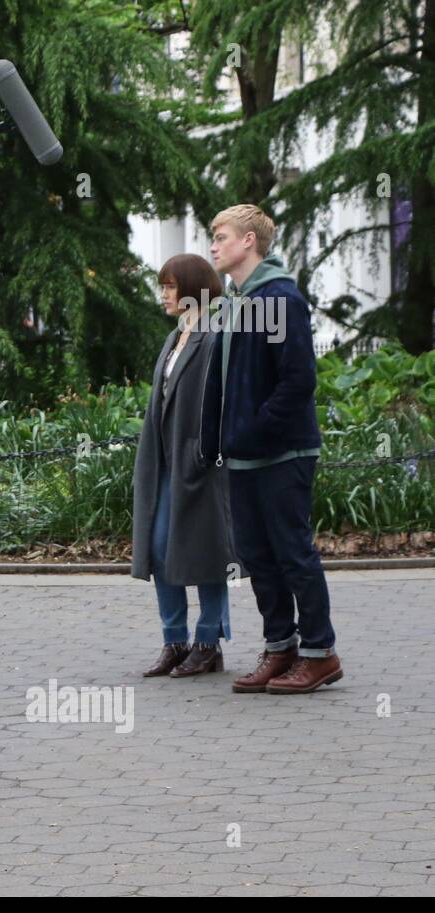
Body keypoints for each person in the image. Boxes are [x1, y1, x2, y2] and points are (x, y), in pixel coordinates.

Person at [202, 204, 342, 694]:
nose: (213, 246)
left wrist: (252, 432)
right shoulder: (234, 303)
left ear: (249, 242)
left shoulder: (279, 300)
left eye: (220, 236)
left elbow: (298, 381)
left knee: (292, 554)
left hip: (282, 453)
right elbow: (223, 384)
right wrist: (217, 440)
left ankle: (320, 653)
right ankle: (281, 647)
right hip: (243, 456)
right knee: (258, 558)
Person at [132, 254, 238, 677]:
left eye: (171, 287)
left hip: (200, 465)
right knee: (159, 550)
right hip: (163, 462)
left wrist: (205, 451)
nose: (163, 295)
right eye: (163, 286)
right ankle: (174, 640)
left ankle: (208, 642)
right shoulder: (176, 335)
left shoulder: (214, 334)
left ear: (193, 289)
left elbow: (225, 399)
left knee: (208, 553)